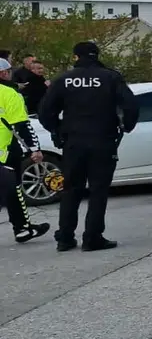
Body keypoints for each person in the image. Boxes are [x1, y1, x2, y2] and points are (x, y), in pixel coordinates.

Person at [38, 41, 139, 252]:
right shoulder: (110, 77)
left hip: (73, 143)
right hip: (103, 141)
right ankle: (92, 237)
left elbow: (45, 112)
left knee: (71, 190)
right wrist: (126, 126)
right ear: (96, 55)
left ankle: (65, 237)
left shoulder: (63, 80)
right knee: (98, 190)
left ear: (76, 57)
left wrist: (58, 130)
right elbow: (130, 105)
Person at [0, 59, 50, 243]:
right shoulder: (9, 94)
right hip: (4, 153)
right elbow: (22, 125)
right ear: (4, 73)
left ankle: (23, 228)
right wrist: (34, 149)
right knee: (13, 189)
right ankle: (22, 228)